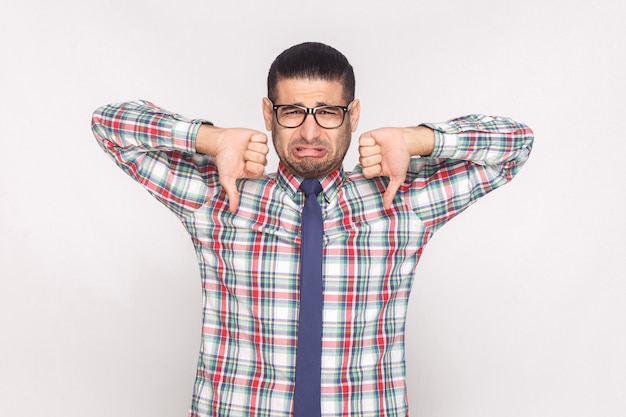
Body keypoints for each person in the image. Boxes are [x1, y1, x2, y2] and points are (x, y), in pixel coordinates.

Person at [91, 42, 534, 417]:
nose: (309, 130)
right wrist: (210, 139)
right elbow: (109, 125)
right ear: (268, 113)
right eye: (291, 112)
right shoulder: (216, 195)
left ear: (353, 114)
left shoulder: (403, 200)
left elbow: (515, 144)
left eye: (327, 111)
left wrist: (418, 139)